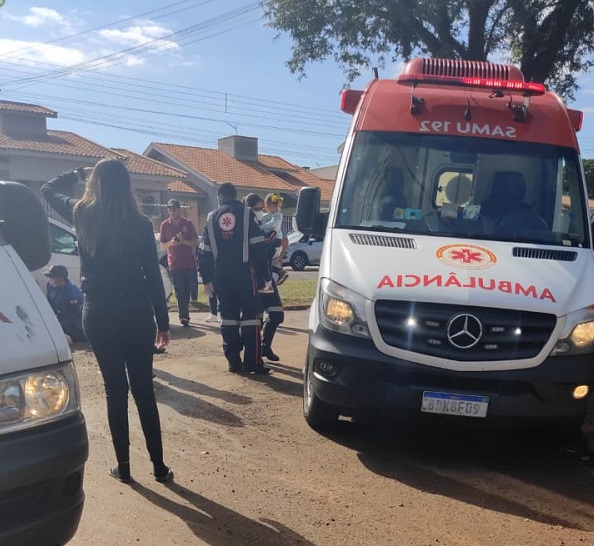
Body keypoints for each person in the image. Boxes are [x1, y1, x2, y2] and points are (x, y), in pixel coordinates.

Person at [41, 159, 173, 485]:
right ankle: (159, 467)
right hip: (135, 311)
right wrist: (163, 321)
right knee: (144, 390)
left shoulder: (82, 213)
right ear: (125, 184)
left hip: (98, 313)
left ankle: (124, 468)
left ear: (94, 183)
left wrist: (77, 173)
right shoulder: (141, 223)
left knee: (115, 391)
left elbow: (47, 189)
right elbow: (153, 277)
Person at [199, 183, 271, 375]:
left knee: (228, 318)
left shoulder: (211, 217)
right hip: (245, 273)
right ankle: (252, 362)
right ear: (234, 195)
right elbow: (259, 247)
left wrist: (206, 279)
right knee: (251, 318)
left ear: (220, 197)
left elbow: (204, 252)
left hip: (221, 275)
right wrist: (264, 275)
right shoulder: (247, 214)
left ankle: (233, 361)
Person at [243, 193, 285, 362]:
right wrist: (272, 242)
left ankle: (264, 347)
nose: (262, 212)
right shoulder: (248, 227)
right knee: (256, 318)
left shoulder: (263, 224)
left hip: (266, 277)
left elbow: (273, 240)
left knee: (276, 314)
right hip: (255, 278)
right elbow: (264, 243)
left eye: (262, 208)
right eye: (258, 209)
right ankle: (255, 353)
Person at [159, 199, 198, 327]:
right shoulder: (165, 225)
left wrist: (183, 241)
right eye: (169, 210)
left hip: (188, 262)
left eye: (174, 209)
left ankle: (185, 311)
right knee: (179, 289)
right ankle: (184, 316)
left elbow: (195, 242)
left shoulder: (188, 223)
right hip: (174, 263)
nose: (172, 212)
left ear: (179, 209)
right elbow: (162, 246)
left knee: (187, 289)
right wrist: (171, 242)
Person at [44, 264, 85, 345]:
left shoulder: (73, 294)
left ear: (60, 278)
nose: (50, 279)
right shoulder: (51, 287)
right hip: (59, 320)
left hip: (73, 325)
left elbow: (74, 317)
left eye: (52, 277)